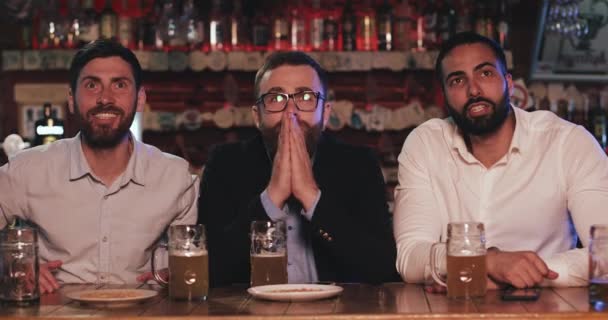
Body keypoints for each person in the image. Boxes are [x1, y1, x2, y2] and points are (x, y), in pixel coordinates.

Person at [393, 32, 608, 289]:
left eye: (485, 74)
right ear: (445, 96)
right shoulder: (425, 144)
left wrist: (514, 274)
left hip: (547, 311)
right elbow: (410, 257)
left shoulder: (568, 142)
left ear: (508, 82)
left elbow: (605, 254)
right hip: (453, 311)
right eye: (457, 80)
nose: (473, 90)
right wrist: (486, 262)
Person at [0, 39, 198, 294]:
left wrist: (173, 274)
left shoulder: (175, 177)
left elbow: (188, 268)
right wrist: (14, 264)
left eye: (120, 84)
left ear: (139, 99)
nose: (105, 98)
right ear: (71, 99)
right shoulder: (28, 170)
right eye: (92, 85)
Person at [198, 51, 399, 286]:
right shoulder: (225, 164)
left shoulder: (358, 164)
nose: (290, 112)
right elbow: (206, 272)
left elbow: (383, 269)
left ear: (325, 114)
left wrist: (311, 198)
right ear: (257, 116)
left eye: (305, 97)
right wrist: (272, 198)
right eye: (276, 99)